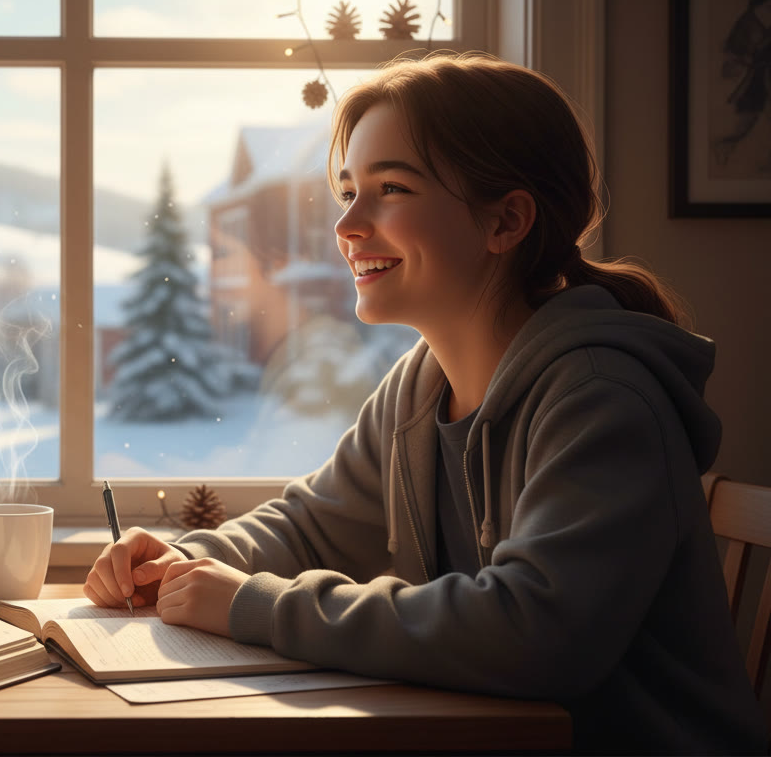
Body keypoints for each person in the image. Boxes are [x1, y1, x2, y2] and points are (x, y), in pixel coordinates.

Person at [84, 52, 767, 754]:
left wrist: (251, 604)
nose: (347, 225)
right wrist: (182, 559)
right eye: (348, 190)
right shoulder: (422, 384)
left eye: (391, 189)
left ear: (506, 221)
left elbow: (534, 633)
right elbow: (313, 528)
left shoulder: (602, 398)